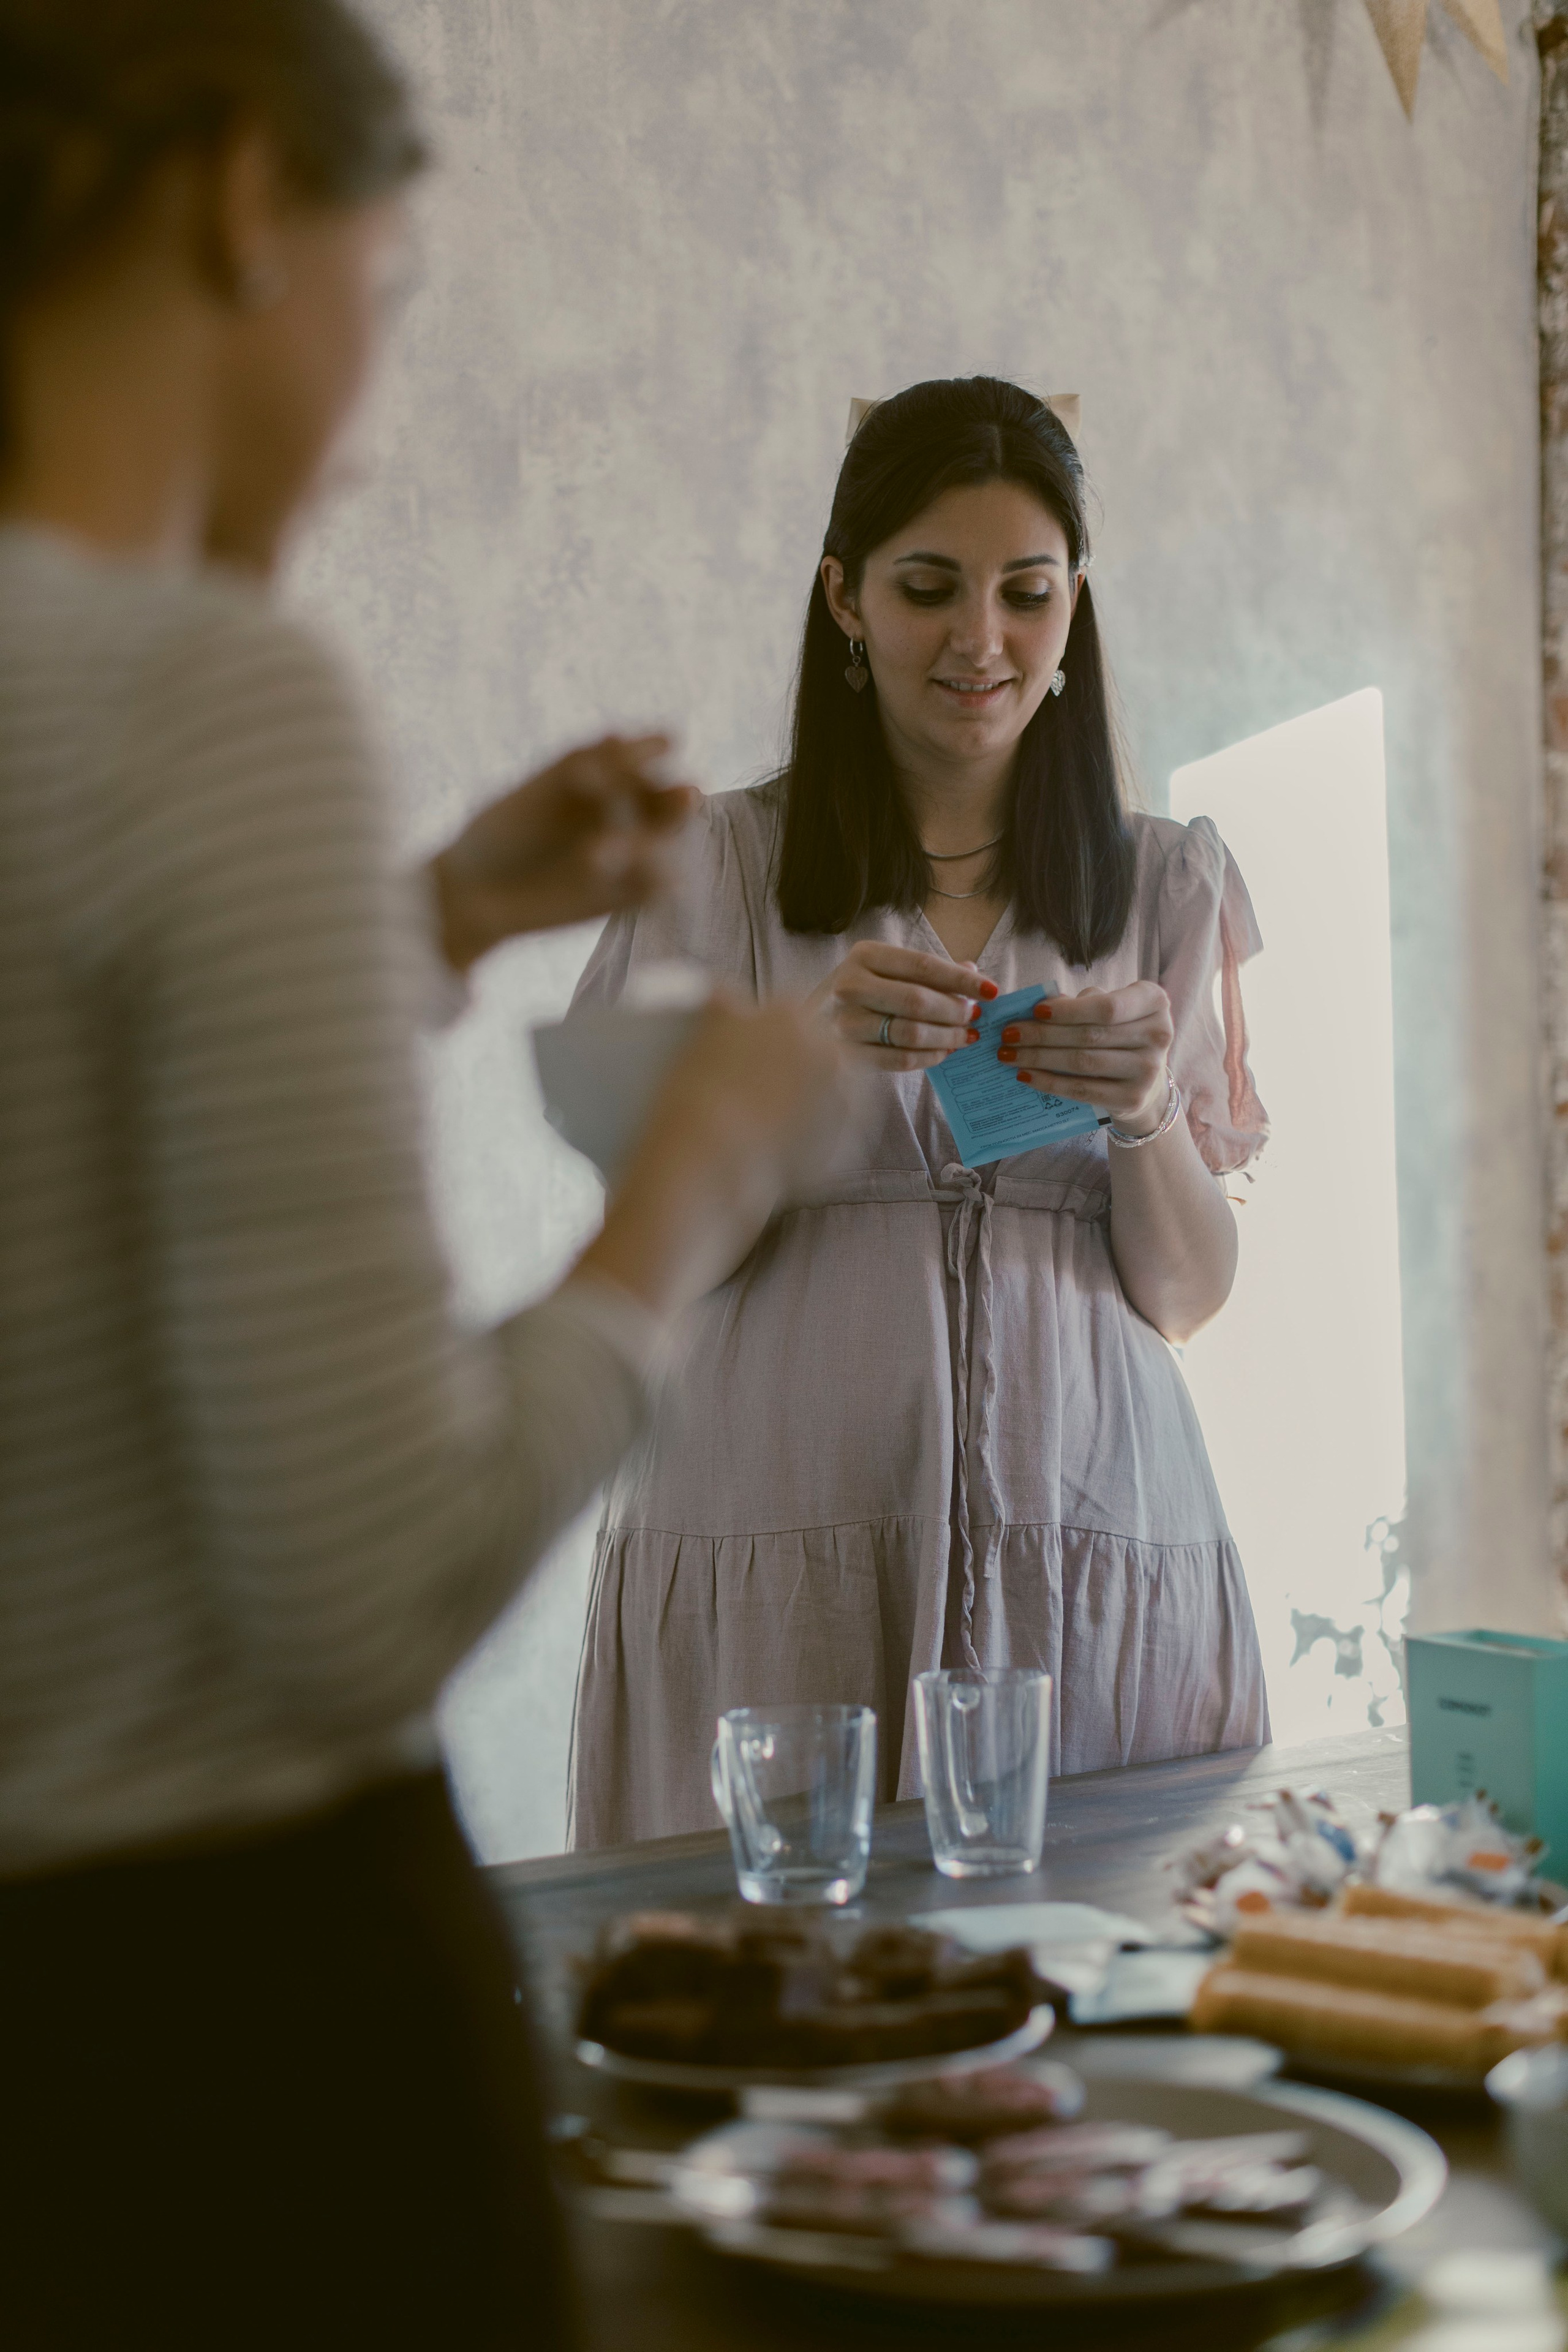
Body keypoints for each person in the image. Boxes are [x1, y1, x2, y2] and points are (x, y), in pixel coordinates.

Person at [0, 2, 844, 2344]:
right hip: (247, 2054)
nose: (373, 407)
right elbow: (368, 1588)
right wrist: (696, 1186)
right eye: (401, 285)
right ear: (246, 194)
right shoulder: (207, 691)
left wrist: (435, 919)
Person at [567, 374, 1272, 1850]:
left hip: (1085, 1536)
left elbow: (1191, 1298)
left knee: (1089, 2005)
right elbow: (649, 1267)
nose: (979, 641)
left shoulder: (1159, 887)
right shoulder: (718, 877)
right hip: (778, 1534)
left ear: (1074, 601)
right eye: (927, 588)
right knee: (773, 1992)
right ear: (843, 598)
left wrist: (1145, 1114)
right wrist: (797, 1075)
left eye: (1026, 592)